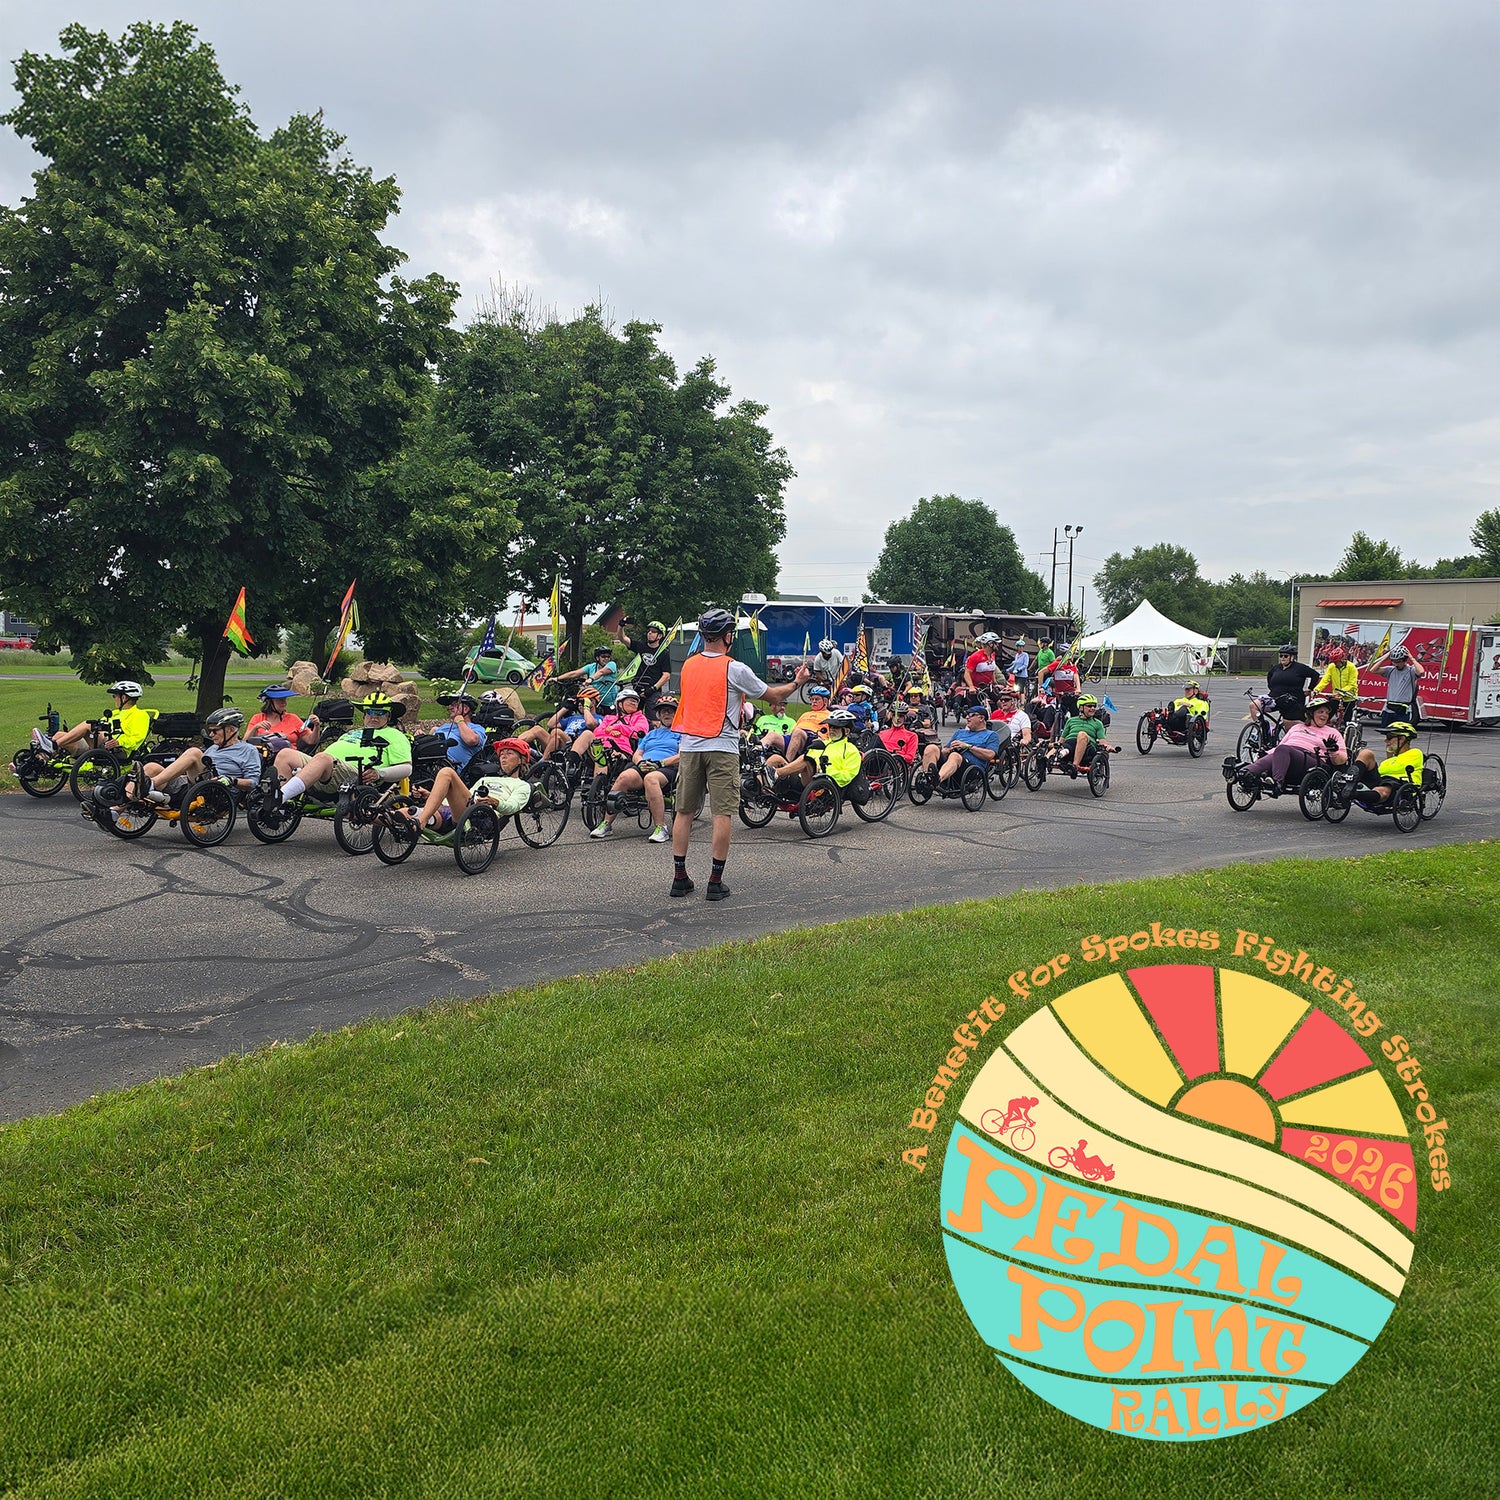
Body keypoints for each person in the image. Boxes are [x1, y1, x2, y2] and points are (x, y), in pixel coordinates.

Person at [671, 608, 809, 901]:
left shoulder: (688, 666)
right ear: (728, 637)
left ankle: (679, 878)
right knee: (722, 813)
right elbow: (773, 696)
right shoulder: (735, 668)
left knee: (683, 812)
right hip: (721, 747)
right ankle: (715, 882)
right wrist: (798, 682)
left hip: (690, 746)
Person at [272, 692, 413, 803]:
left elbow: (407, 768)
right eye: (370, 712)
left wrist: (379, 773)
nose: (374, 717)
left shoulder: (395, 735)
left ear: (388, 717)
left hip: (356, 774)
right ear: (364, 715)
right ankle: (279, 807)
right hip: (324, 769)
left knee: (323, 758)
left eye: (380, 713)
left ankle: (280, 797)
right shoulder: (354, 732)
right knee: (286, 754)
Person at [591, 695, 681, 842]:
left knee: (651, 779)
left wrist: (660, 764)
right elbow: (637, 753)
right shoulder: (651, 734)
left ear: (677, 713)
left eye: (670, 711)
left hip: (667, 767)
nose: (666, 714)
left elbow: (682, 755)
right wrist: (640, 762)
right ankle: (606, 824)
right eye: (663, 711)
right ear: (658, 714)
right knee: (623, 778)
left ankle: (661, 828)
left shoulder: (682, 733)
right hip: (644, 764)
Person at [126, 706, 262, 803]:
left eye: (215, 731)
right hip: (192, 784)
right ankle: (117, 806)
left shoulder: (248, 750)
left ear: (231, 729)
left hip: (217, 790)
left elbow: (253, 782)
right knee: (151, 767)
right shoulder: (213, 748)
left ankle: (149, 785)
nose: (211, 735)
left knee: (194, 752)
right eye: (210, 731)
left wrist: (232, 780)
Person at [400, 737, 536, 833]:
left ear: (521, 760)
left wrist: (495, 802)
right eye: (501, 754)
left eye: (509, 753)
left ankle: (421, 822)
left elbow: (513, 807)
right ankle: (391, 817)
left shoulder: (522, 786)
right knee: (403, 814)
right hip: (454, 814)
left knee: (447, 772)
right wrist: (430, 796)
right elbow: (458, 800)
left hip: (480, 816)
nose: (503, 757)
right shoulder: (485, 780)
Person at [1231, 694, 1348, 790]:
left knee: (1283, 750)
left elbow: (1342, 759)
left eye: (1326, 713)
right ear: (1311, 714)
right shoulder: (1297, 727)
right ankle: (1242, 774)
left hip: (1312, 760)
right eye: (1320, 712)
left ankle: (1277, 783)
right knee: (1274, 754)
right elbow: (1281, 745)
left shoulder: (1332, 732)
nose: (1324, 715)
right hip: (1286, 755)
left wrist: (1332, 750)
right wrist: (1265, 753)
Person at [37, 681, 152, 759]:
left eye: (115, 696)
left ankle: (52, 745)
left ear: (124, 697)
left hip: (119, 749)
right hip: (100, 743)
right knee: (59, 735)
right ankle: (39, 763)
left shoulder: (140, 715)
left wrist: (119, 742)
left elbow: (137, 739)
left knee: (88, 725)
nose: (114, 699)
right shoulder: (116, 713)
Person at [1351, 721, 1423, 808]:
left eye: (1389, 737)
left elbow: (1395, 769)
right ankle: (1349, 780)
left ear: (1402, 739)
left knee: (1383, 789)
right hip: (1382, 781)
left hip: (1400, 785)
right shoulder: (1392, 760)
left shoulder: (1415, 753)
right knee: (1366, 753)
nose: (1386, 741)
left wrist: (1388, 756)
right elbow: (1385, 770)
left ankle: (1352, 794)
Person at [613, 618, 673, 709]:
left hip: (653, 691)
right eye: (649, 630)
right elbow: (623, 638)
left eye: (653, 631)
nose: (649, 633)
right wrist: (621, 625)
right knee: (633, 715)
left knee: (654, 719)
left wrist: (653, 689)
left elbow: (666, 675)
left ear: (660, 636)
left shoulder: (663, 653)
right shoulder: (641, 646)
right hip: (638, 687)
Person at [935, 703, 1000, 788]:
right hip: (950, 764)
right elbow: (944, 751)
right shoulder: (960, 732)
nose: (967, 717)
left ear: (981, 718)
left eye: (970, 715)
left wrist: (967, 746)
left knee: (955, 756)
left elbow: (990, 755)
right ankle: (927, 779)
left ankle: (937, 780)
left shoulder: (991, 735)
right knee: (932, 748)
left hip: (971, 769)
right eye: (966, 715)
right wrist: (950, 749)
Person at [245, 686, 321, 753]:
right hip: (264, 758)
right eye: (280, 700)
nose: (284, 702)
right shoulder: (257, 718)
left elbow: (311, 740)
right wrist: (255, 728)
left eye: (285, 699)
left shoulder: (293, 718)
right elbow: (245, 742)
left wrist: (316, 726)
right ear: (269, 702)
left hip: (290, 757)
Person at [1056, 693, 1117, 776]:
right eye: (1089, 706)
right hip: (1070, 745)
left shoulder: (1098, 723)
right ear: (1081, 707)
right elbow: (1061, 740)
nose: (1092, 708)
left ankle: (1075, 766)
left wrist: (1108, 747)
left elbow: (1103, 742)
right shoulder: (1071, 720)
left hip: (1087, 749)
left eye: (1094, 706)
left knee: (1082, 735)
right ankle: (1046, 760)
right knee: (1058, 746)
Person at [431, 691, 488, 775]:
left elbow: (471, 740)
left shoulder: (476, 728)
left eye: (455, 704)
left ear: (466, 709)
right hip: (427, 761)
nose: (450, 707)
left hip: (446, 769)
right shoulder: (445, 726)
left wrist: (460, 721)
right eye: (450, 705)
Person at [1267, 644, 1320, 723]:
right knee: (1255, 706)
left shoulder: (1299, 668)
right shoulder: (1276, 668)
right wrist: (1273, 689)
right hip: (1276, 698)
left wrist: (1310, 689)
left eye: (1285, 656)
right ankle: (1261, 727)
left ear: (1292, 657)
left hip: (1293, 701)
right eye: (1281, 656)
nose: (1282, 658)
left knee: (1289, 723)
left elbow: (1315, 675)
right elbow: (1269, 677)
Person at [1375, 644, 1425, 729]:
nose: (1395, 664)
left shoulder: (1411, 671)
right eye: (1394, 661)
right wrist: (1386, 657)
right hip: (1389, 708)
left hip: (1403, 709)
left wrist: (1411, 657)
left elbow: (1421, 672)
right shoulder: (1390, 670)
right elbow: (1373, 670)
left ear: (1404, 660)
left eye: (1398, 662)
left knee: (1401, 736)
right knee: (1388, 735)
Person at [1314, 647, 1359, 725]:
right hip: (1336, 697)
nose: (1335, 664)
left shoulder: (1351, 667)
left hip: (1349, 697)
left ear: (1343, 659)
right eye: (1333, 662)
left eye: (1336, 662)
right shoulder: (1332, 667)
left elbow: (1352, 684)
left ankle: (1346, 733)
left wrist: (1341, 692)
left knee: (1347, 719)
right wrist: (1317, 689)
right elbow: (1325, 680)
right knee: (1328, 713)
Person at [1045, 653, 1081, 723]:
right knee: (1058, 714)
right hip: (1060, 695)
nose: (1071, 658)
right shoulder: (1057, 664)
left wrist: (1078, 688)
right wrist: (1042, 687)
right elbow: (1041, 672)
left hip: (1071, 693)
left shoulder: (1072, 667)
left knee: (1075, 714)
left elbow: (1076, 677)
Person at [964, 633, 1001, 698]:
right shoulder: (975, 656)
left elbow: (991, 671)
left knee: (999, 702)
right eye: (996, 643)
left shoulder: (992, 655)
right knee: (978, 706)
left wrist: (995, 683)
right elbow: (967, 673)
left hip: (988, 687)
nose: (997, 645)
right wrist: (971, 687)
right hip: (976, 689)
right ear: (990, 644)